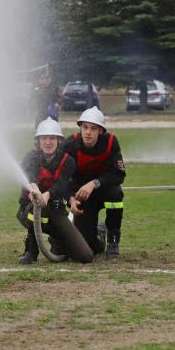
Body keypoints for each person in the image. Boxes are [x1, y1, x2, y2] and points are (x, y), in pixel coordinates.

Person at [16, 118, 94, 264]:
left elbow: (61, 185)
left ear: (59, 140)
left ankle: (59, 241)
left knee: (85, 256)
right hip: (28, 211)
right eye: (44, 138)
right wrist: (35, 191)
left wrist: (47, 195)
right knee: (37, 209)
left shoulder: (68, 161)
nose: (48, 142)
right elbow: (30, 174)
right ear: (38, 140)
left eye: (52, 138)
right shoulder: (31, 157)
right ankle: (31, 250)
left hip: (57, 212)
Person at [62, 107, 127, 259]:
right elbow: (60, 179)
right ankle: (99, 235)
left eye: (93, 128)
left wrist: (94, 183)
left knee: (116, 194)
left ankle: (113, 240)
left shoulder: (110, 143)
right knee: (88, 247)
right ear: (80, 128)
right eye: (85, 127)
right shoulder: (70, 145)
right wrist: (70, 199)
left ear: (101, 131)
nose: (88, 132)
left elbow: (119, 174)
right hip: (82, 197)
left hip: (104, 191)